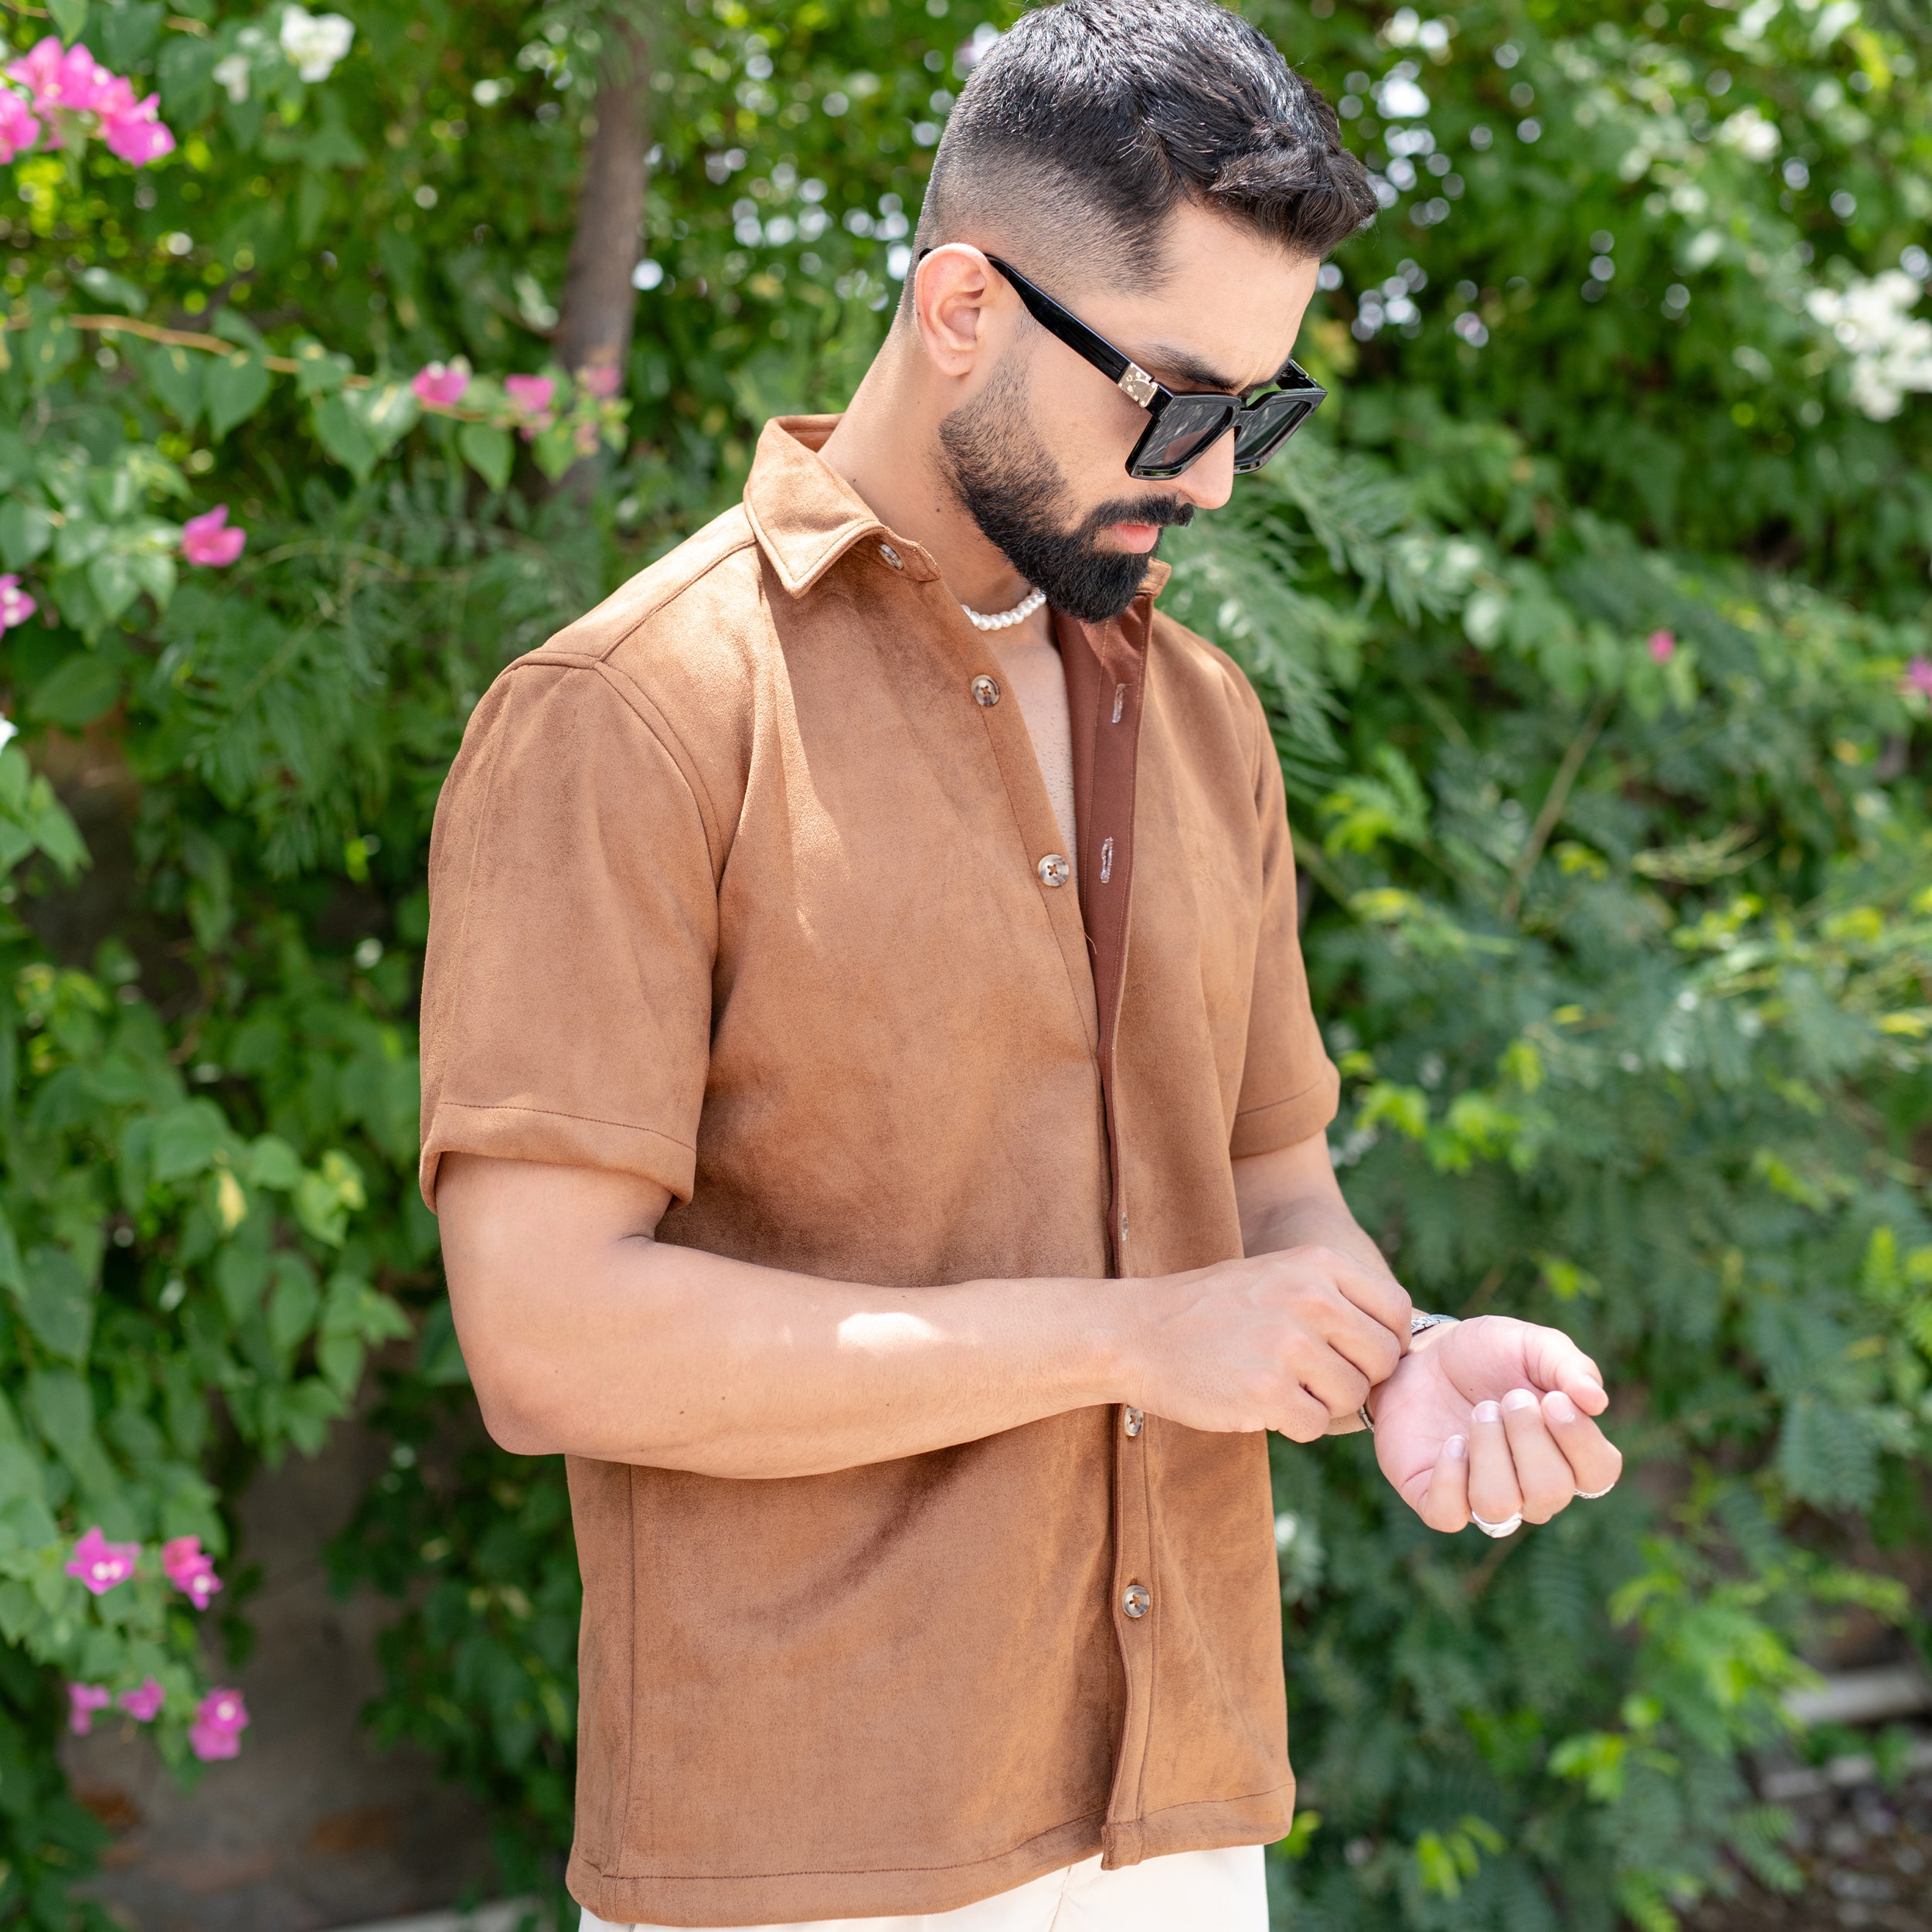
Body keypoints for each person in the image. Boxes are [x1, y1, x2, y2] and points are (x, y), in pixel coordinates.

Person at [419, 2, 1624, 1927]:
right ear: (961, 307)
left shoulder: (1210, 723)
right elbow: (545, 1335)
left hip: (1180, 1822)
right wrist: (1136, 1331)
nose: (1214, 479)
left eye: (1254, 412)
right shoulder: (629, 716)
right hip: (802, 1855)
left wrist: (1392, 1355)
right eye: (1170, 405)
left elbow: (1270, 1199)